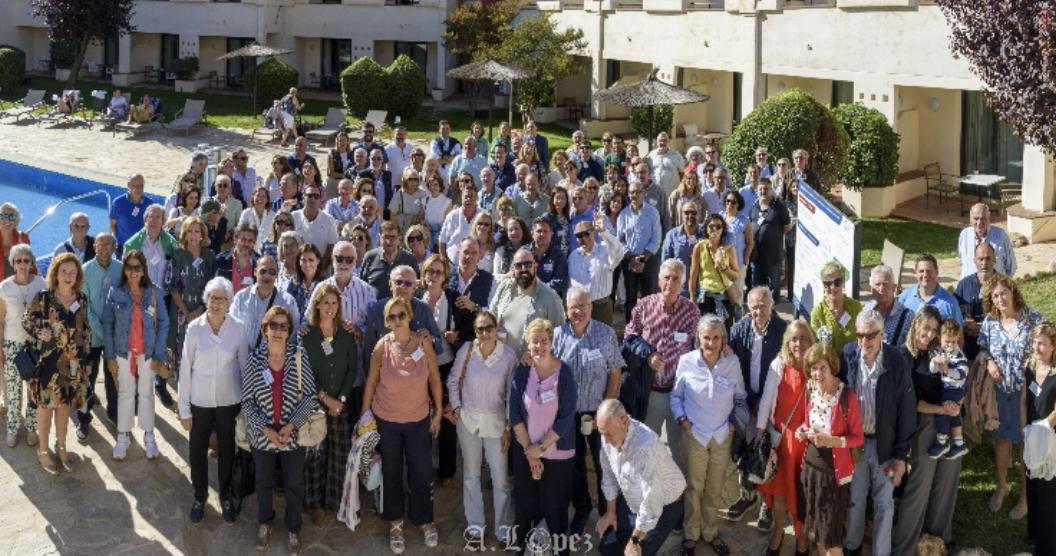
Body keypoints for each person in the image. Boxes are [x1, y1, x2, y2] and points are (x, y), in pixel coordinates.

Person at [361, 297, 443, 554]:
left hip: (418, 420)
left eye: (401, 315)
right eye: (392, 317)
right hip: (387, 421)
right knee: (392, 472)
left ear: (410, 316)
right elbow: (371, 383)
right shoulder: (381, 347)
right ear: (386, 322)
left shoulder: (424, 343)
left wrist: (439, 411)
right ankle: (395, 522)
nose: (397, 321)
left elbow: (435, 380)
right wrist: (365, 416)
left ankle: (424, 519)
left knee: (421, 471)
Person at [839, 309, 916, 556]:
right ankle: (852, 546)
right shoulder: (849, 354)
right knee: (855, 499)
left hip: (886, 446)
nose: (864, 341)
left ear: (882, 334)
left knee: (885, 504)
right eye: (860, 334)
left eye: (871, 335)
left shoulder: (896, 360)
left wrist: (901, 455)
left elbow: (906, 411)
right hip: (856, 445)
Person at [242, 306, 317, 553]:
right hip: (262, 437)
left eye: (283, 326)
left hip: (292, 435)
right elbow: (247, 401)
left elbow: (310, 397)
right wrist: (266, 430)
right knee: (263, 482)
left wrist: (291, 424)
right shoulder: (255, 360)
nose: (278, 331)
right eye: (273, 325)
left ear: (289, 332)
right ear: (265, 329)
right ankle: (265, 522)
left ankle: (294, 527)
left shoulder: (299, 356)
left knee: (294, 483)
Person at [552, 288, 626, 535]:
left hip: (599, 414)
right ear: (566, 310)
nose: (579, 311)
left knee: (604, 464)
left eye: (583, 305)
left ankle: (609, 513)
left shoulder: (605, 334)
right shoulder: (557, 336)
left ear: (591, 307)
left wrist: (606, 409)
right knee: (575, 466)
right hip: (569, 416)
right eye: (573, 306)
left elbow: (615, 372)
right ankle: (582, 507)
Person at [672, 314, 747, 556]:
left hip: (722, 435)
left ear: (723, 338)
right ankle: (691, 535)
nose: (712, 343)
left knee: (715, 488)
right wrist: (682, 421)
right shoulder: (686, 361)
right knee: (694, 487)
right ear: (698, 338)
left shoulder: (732, 362)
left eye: (716, 338)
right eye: (707, 338)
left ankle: (710, 532)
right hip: (695, 434)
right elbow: (676, 396)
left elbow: (740, 397)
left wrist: (734, 425)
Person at [890, 307, 964, 555]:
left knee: (948, 477)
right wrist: (942, 410)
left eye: (934, 329)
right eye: (926, 327)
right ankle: (905, 547)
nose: (930, 334)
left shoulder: (939, 350)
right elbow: (911, 402)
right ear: (916, 324)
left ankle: (939, 539)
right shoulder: (902, 355)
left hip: (949, 416)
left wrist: (957, 404)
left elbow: (959, 377)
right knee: (920, 486)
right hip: (923, 421)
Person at [178, 277, 248, 524]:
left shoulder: (238, 328)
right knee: (197, 451)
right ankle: (199, 496)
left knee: (228, 450)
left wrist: (247, 404)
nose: (216, 303)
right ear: (206, 300)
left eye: (221, 299)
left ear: (229, 303)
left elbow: (245, 366)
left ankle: (226, 497)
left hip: (230, 400)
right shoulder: (195, 328)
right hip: (200, 400)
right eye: (212, 298)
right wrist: (184, 409)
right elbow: (185, 368)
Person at [508, 318, 578, 554]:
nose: (539, 346)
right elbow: (514, 412)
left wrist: (540, 448)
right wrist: (530, 450)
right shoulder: (523, 370)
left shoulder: (564, 372)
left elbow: (567, 418)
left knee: (555, 508)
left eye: (544, 341)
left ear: (551, 342)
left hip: (557, 453)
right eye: (534, 341)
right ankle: (526, 549)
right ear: (528, 345)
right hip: (525, 452)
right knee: (526, 506)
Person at [447, 309, 516, 542]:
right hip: (468, 422)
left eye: (489, 328)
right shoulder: (466, 350)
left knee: (500, 480)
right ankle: (475, 527)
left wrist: (508, 427)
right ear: (475, 331)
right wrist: (457, 408)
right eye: (480, 329)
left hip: (497, 424)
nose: (485, 333)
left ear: (497, 329)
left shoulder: (508, 356)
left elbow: (511, 394)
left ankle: (503, 528)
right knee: (471, 475)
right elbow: (453, 380)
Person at [978, 274, 1044, 520]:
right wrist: (990, 362)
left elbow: (1049, 344)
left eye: (1003, 292)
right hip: (1000, 393)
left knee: (1024, 444)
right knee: (1002, 440)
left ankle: (1025, 497)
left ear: (1013, 291)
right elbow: (983, 348)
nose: (1000, 298)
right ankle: (1002, 486)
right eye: (995, 296)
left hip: (1026, 393)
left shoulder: (1031, 318)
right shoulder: (990, 322)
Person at [623, 259, 700, 467]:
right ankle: (650, 489)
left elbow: (700, 348)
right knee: (647, 447)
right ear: (659, 280)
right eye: (667, 278)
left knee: (680, 450)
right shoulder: (644, 306)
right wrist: (648, 355)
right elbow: (629, 339)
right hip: (651, 392)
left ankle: (678, 494)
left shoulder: (692, 311)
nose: (670, 283)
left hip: (679, 394)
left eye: (676, 279)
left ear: (683, 284)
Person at [22, 253, 91, 475]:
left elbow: (85, 331)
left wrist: (86, 360)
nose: (68, 276)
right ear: (56, 274)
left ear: (78, 275)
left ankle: (61, 447)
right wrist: (39, 328)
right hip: (49, 364)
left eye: (73, 272)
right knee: (45, 408)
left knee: (64, 407)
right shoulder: (44, 298)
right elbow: (26, 320)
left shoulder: (81, 298)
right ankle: (43, 451)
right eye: (64, 272)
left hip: (73, 364)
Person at [724, 286, 788, 523]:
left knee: (770, 453)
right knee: (744, 450)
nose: (758, 311)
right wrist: (750, 399)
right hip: (746, 401)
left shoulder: (784, 331)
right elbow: (731, 362)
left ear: (772, 305)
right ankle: (748, 495)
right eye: (754, 306)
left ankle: (768, 505)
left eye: (763, 305)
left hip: (773, 403)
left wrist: (764, 401)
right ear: (747, 308)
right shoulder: (739, 330)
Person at [593, 398, 685, 556]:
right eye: (602, 433)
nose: (605, 440)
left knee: (636, 553)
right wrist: (610, 512)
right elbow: (608, 476)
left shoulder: (646, 446)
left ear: (623, 421)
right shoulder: (606, 434)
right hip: (633, 499)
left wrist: (635, 541)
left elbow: (652, 502)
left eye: (608, 434)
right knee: (608, 549)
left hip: (663, 505)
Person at [103, 249, 171, 461]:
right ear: (125, 269)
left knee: (146, 394)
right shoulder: (115, 292)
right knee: (125, 393)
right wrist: (110, 356)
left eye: (137, 267)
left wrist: (159, 353)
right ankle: (123, 436)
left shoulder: (154, 292)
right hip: (123, 353)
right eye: (130, 267)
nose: (133, 272)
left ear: (144, 270)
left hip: (148, 353)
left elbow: (164, 322)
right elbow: (107, 324)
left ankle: (149, 435)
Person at [796, 343, 863, 556]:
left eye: (822, 367)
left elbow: (858, 438)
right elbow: (807, 422)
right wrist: (802, 431)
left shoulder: (847, 397)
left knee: (832, 538)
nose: (816, 373)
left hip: (834, 477)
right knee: (816, 533)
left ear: (832, 366)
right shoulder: (811, 390)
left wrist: (833, 441)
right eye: (813, 368)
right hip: (811, 472)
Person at [300, 284, 359, 523]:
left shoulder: (346, 336)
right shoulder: (307, 336)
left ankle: (335, 501)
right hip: (315, 406)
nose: (330, 308)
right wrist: (325, 398)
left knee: (339, 455)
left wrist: (340, 400)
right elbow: (302, 373)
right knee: (315, 456)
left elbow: (353, 369)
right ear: (317, 304)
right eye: (326, 303)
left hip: (340, 406)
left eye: (334, 303)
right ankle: (314, 505)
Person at [755, 319, 814, 555]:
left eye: (803, 338)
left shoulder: (817, 364)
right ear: (787, 342)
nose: (798, 343)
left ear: (810, 340)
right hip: (781, 441)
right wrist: (760, 432)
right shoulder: (779, 364)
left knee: (802, 495)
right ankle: (778, 534)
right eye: (794, 338)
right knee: (779, 495)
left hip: (807, 442)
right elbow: (767, 400)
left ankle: (801, 539)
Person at [418, 255, 460, 485]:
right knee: (422, 415)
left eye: (438, 272)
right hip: (421, 367)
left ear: (445, 278)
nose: (434, 276)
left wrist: (457, 335)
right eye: (430, 271)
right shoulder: (416, 300)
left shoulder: (453, 299)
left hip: (445, 365)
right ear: (424, 275)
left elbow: (469, 327)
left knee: (446, 415)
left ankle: (447, 471)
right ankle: (423, 467)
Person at [0, 244, 45, 447]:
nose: (22, 264)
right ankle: (12, 428)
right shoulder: (4, 287)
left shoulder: (41, 284)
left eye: (26, 260)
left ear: (32, 263)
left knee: (33, 390)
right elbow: (1, 320)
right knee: (14, 389)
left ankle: (31, 427)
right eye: (18, 261)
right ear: (13, 263)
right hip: (11, 344)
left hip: (34, 346)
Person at [79, 234, 122, 435]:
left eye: (109, 244)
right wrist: (105, 334)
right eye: (101, 244)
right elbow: (84, 308)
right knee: (88, 378)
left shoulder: (120, 269)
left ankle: (113, 415)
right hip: (93, 337)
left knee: (113, 378)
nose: (105, 248)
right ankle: (84, 420)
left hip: (115, 336)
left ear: (115, 247)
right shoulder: (85, 270)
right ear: (94, 246)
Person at [490, 249, 566, 356]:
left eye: (528, 264)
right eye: (518, 266)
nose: (523, 269)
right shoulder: (504, 288)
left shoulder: (551, 298)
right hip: (500, 362)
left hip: (529, 367)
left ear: (535, 265)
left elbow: (559, 338)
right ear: (513, 269)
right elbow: (490, 316)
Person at [167, 217, 215, 373]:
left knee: (200, 358)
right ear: (184, 234)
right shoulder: (177, 255)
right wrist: (187, 313)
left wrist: (200, 310)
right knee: (181, 358)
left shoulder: (209, 256)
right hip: (181, 313)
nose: (193, 235)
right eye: (190, 231)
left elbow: (213, 287)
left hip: (203, 312)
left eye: (197, 231)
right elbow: (173, 287)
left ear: (202, 235)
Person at [1023, 322, 1056, 556]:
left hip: (1050, 436)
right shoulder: (1030, 367)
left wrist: (1044, 427)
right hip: (1032, 434)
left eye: (1042, 343)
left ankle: (1047, 546)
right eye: (1035, 342)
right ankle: (1033, 534)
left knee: (1048, 489)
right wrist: (1026, 430)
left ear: (1053, 346)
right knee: (1032, 486)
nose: (1037, 347)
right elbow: (1023, 399)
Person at [308, 241, 376, 342]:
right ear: (332, 259)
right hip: (325, 352)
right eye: (339, 259)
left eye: (349, 260)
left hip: (357, 353)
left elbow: (374, 327)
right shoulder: (321, 288)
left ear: (355, 261)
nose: (344, 263)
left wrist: (358, 330)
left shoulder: (367, 291)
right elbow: (308, 319)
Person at [229, 255, 301, 351]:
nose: (267, 275)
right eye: (263, 271)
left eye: (272, 272)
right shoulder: (241, 298)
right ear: (255, 272)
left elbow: (293, 336)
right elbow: (232, 329)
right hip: (243, 360)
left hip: (273, 361)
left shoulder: (288, 302)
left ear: (276, 275)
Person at [617, 180, 663, 320]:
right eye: (632, 192)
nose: (635, 195)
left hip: (648, 261)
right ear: (628, 195)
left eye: (638, 192)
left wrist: (642, 259)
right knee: (630, 298)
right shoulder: (623, 215)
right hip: (629, 261)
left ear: (643, 193)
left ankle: (649, 329)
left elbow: (656, 238)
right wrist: (632, 258)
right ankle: (631, 331)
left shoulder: (653, 212)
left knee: (649, 297)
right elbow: (620, 240)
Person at [568, 217, 624, 326]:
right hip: (580, 307)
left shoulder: (605, 251)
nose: (583, 238)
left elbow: (619, 251)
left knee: (603, 340)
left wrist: (604, 232)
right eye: (579, 236)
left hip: (601, 307)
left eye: (586, 234)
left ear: (593, 233)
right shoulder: (573, 256)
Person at [926, 319, 970, 458]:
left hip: (955, 389)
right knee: (953, 413)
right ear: (939, 338)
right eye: (947, 342)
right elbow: (932, 370)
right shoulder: (939, 351)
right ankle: (958, 443)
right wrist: (935, 362)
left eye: (953, 342)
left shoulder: (959, 356)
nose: (950, 345)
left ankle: (942, 441)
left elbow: (962, 373)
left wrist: (947, 370)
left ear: (958, 338)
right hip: (946, 388)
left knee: (944, 410)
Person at [689, 214, 739, 328]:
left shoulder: (729, 249)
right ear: (706, 228)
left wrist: (725, 269)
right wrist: (692, 297)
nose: (714, 229)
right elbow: (693, 274)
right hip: (705, 299)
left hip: (724, 298)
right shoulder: (699, 247)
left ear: (722, 230)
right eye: (711, 226)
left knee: (724, 335)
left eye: (718, 226)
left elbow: (736, 274)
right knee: (705, 333)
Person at [748, 178, 791, 303]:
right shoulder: (754, 206)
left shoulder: (779, 206)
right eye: (760, 189)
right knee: (756, 283)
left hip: (773, 253)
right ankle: (757, 304)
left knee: (773, 285)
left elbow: (787, 227)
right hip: (756, 254)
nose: (763, 191)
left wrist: (772, 235)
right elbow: (751, 224)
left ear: (771, 190)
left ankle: (772, 309)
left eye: (766, 188)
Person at [954, 242, 997, 361]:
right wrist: (965, 325)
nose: (984, 263)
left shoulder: (1004, 285)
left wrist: (985, 329)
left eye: (988, 258)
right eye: (980, 259)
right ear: (974, 260)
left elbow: (1012, 316)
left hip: (996, 347)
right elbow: (955, 314)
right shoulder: (964, 285)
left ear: (995, 259)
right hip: (968, 347)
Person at [810, 260, 862, 353]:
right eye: (828, 283)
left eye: (837, 282)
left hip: (853, 361)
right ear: (823, 285)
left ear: (843, 283)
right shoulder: (817, 312)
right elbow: (815, 345)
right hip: (828, 363)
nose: (833, 287)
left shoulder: (856, 308)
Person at [898, 254, 964, 325]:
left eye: (929, 271)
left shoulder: (950, 302)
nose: (925, 275)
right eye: (921, 271)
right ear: (916, 273)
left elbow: (958, 331)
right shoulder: (905, 297)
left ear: (937, 272)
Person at [957, 203, 1016, 279]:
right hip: (970, 288)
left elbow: (1011, 267)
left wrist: (1001, 286)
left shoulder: (1001, 236)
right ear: (970, 219)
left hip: (995, 288)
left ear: (989, 219)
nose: (979, 223)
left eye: (983, 218)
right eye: (976, 218)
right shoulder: (964, 235)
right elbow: (962, 262)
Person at [660, 200, 705, 298]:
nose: (690, 215)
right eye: (686, 213)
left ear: (699, 214)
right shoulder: (672, 235)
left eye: (693, 212)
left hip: (703, 289)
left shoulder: (706, 233)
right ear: (681, 214)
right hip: (679, 290)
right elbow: (666, 263)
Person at [864, 264, 913, 348]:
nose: (881, 288)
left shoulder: (907, 316)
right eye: (877, 284)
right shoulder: (866, 310)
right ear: (871, 289)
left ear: (894, 288)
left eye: (885, 284)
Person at [109, 174, 155, 252]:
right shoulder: (118, 202)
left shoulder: (150, 204)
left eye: (141, 186)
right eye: (135, 186)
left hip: (142, 248)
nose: (138, 189)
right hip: (122, 246)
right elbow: (113, 224)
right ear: (128, 185)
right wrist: (114, 239)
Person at [720, 190, 753, 300]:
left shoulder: (744, 220)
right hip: (721, 264)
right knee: (723, 295)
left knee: (737, 296)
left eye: (733, 202)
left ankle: (738, 317)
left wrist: (744, 261)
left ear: (738, 204)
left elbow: (750, 243)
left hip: (737, 264)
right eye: (728, 201)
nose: (730, 204)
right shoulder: (720, 217)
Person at [438, 185, 480, 264]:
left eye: (471, 196)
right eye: (466, 197)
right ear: (461, 198)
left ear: (477, 198)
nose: (468, 199)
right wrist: (443, 261)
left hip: (477, 265)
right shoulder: (452, 216)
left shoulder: (483, 216)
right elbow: (442, 241)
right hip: (453, 265)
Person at [527, 218, 568, 297]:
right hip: (527, 298)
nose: (542, 234)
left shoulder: (559, 255)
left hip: (550, 299)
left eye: (546, 231)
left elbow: (558, 281)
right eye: (539, 231)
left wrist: (538, 292)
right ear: (532, 233)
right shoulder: (523, 253)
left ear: (551, 234)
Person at [216, 223, 260, 294]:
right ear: (235, 239)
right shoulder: (221, 260)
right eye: (243, 239)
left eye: (250, 241)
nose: (246, 244)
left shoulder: (259, 263)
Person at [389, 169, 427, 237]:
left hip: (418, 229)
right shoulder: (399, 194)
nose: (413, 182)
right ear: (405, 180)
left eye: (415, 179)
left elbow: (425, 212)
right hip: (403, 230)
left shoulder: (422, 194)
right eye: (410, 179)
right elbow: (392, 215)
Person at [646, 132, 686, 197]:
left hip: (672, 192)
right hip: (656, 192)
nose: (662, 143)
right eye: (660, 140)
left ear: (668, 142)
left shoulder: (676, 155)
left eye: (665, 140)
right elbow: (648, 172)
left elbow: (682, 173)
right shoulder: (651, 155)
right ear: (657, 142)